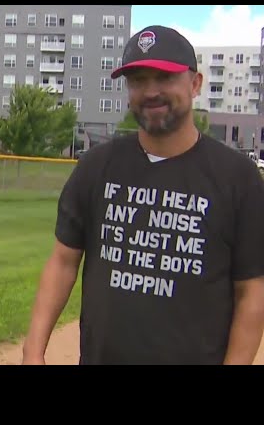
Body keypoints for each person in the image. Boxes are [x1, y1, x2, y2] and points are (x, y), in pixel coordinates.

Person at [22, 25, 264, 365]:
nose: (150, 91)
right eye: (138, 81)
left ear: (195, 83)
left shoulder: (238, 177)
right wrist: (33, 352)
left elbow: (251, 291)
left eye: (164, 78)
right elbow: (63, 262)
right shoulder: (96, 167)